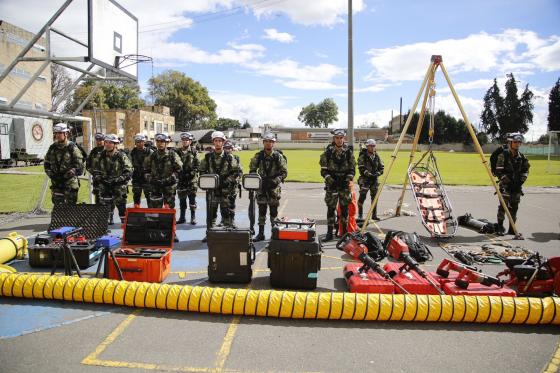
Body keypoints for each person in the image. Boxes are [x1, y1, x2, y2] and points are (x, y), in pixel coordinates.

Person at [199, 131, 241, 238]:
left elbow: (238, 172)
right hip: (212, 191)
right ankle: (210, 234)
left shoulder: (229, 157)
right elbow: (201, 171)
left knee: (226, 213)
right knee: (211, 214)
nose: (218, 143)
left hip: (226, 191)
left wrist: (229, 180)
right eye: (216, 141)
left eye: (220, 141)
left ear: (223, 142)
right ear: (213, 142)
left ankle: (226, 234)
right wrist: (208, 181)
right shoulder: (208, 158)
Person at [248, 132, 287, 241]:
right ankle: (261, 234)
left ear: (274, 143)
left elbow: (284, 172)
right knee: (262, 211)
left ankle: (274, 234)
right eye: (266, 141)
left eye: (271, 141)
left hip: (274, 188)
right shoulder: (258, 156)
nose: (268, 143)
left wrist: (276, 180)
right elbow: (252, 170)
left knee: (273, 212)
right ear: (263, 142)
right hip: (261, 187)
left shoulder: (278, 156)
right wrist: (256, 181)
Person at [319, 129, 356, 241]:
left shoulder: (349, 152)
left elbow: (352, 169)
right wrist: (331, 180)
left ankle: (343, 234)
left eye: (341, 138)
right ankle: (329, 233)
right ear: (334, 139)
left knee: (344, 210)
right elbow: (323, 171)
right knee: (331, 209)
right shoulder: (328, 152)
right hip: (332, 185)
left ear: (344, 139)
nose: (339, 140)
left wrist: (347, 179)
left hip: (344, 185)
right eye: (337, 138)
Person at [494, 132, 530, 235]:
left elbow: (526, 170)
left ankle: (512, 228)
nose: (517, 144)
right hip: (505, 186)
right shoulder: (503, 155)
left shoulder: (522, 157)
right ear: (510, 142)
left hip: (517, 187)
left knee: (514, 208)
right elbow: (498, 171)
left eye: (519, 142)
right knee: (503, 207)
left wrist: (522, 179)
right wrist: (506, 180)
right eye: (515, 142)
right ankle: (500, 227)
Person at [94, 134, 133, 225]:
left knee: (121, 205)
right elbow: (95, 169)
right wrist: (100, 178)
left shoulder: (121, 156)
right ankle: (108, 221)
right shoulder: (100, 156)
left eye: (110, 143)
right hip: (104, 185)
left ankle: (124, 223)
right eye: (106, 142)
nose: (107, 144)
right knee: (105, 205)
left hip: (118, 185)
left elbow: (129, 171)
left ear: (115, 144)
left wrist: (118, 180)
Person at [44, 123, 84, 206]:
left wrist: (66, 175)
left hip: (69, 184)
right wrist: (53, 175)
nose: (57, 135)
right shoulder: (52, 148)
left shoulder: (72, 147)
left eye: (60, 133)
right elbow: (46, 164)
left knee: (70, 209)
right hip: (56, 183)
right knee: (58, 209)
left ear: (66, 134)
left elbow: (79, 166)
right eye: (56, 133)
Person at [144, 133, 183, 209]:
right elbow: (146, 170)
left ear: (166, 143)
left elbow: (179, 169)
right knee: (155, 210)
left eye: (162, 142)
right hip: (155, 186)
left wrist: (170, 179)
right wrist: (151, 179)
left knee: (168, 210)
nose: (160, 144)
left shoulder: (172, 155)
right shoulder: (152, 155)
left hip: (169, 186)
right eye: (158, 142)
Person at [175, 132, 200, 224]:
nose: (185, 142)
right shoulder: (177, 152)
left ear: (190, 141)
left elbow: (198, 165)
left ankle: (193, 217)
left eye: (187, 140)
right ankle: (182, 217)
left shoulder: (194, 151)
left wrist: (192, 173)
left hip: (191, 179)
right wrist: (178, 173)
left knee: (192, 199)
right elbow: (174, 164)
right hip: (181, 179)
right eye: (183, 140)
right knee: (182, 199)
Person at [357, 139, 384, 221]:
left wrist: (378, 173)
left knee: (374, 198)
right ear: (367, 146)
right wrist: (367, 174)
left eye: (373, 146)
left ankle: (374, 215)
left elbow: (381, 167)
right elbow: (361, 167)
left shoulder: (377, 156)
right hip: (365, 180)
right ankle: (360, 215)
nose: (372, 148)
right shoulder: (362, 156)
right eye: (370, 146)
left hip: (374, 180)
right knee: (362, 197)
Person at [130, 133, 153, 208]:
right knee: (136, 197)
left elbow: (155, 165)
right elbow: (129, 165)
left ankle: (151, 215)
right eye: (138, 142)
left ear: (144, 142)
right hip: (137, 178)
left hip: (147, 179)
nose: (139, 144)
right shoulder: (132, 153)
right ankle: (137, 214)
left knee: (149, 197)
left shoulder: (150, 152)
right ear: (135, 143)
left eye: (141, 142)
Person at [223, 140, 243, 227]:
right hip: (223, 185)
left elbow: (240, 172)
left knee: (232, 204)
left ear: (232, 149)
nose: (228, 150)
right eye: (226, 148)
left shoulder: (236, 158)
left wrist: (234, 178)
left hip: (232, 186)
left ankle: (232, 220)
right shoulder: (221, 158)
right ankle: (224, 221)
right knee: (223, 205)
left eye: (229, 148)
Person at [86, 133, 105, 204]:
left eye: (100, 140)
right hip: (96, 179)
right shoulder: (93, 151)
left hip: (106, 179)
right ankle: (98, 214)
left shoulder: (108, 151)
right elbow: (88, 165)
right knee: (97, 198)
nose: (98, 142)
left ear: (104, 140)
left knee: (106, 199)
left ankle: (107, 214)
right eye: (97, 140)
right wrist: (94, 173)